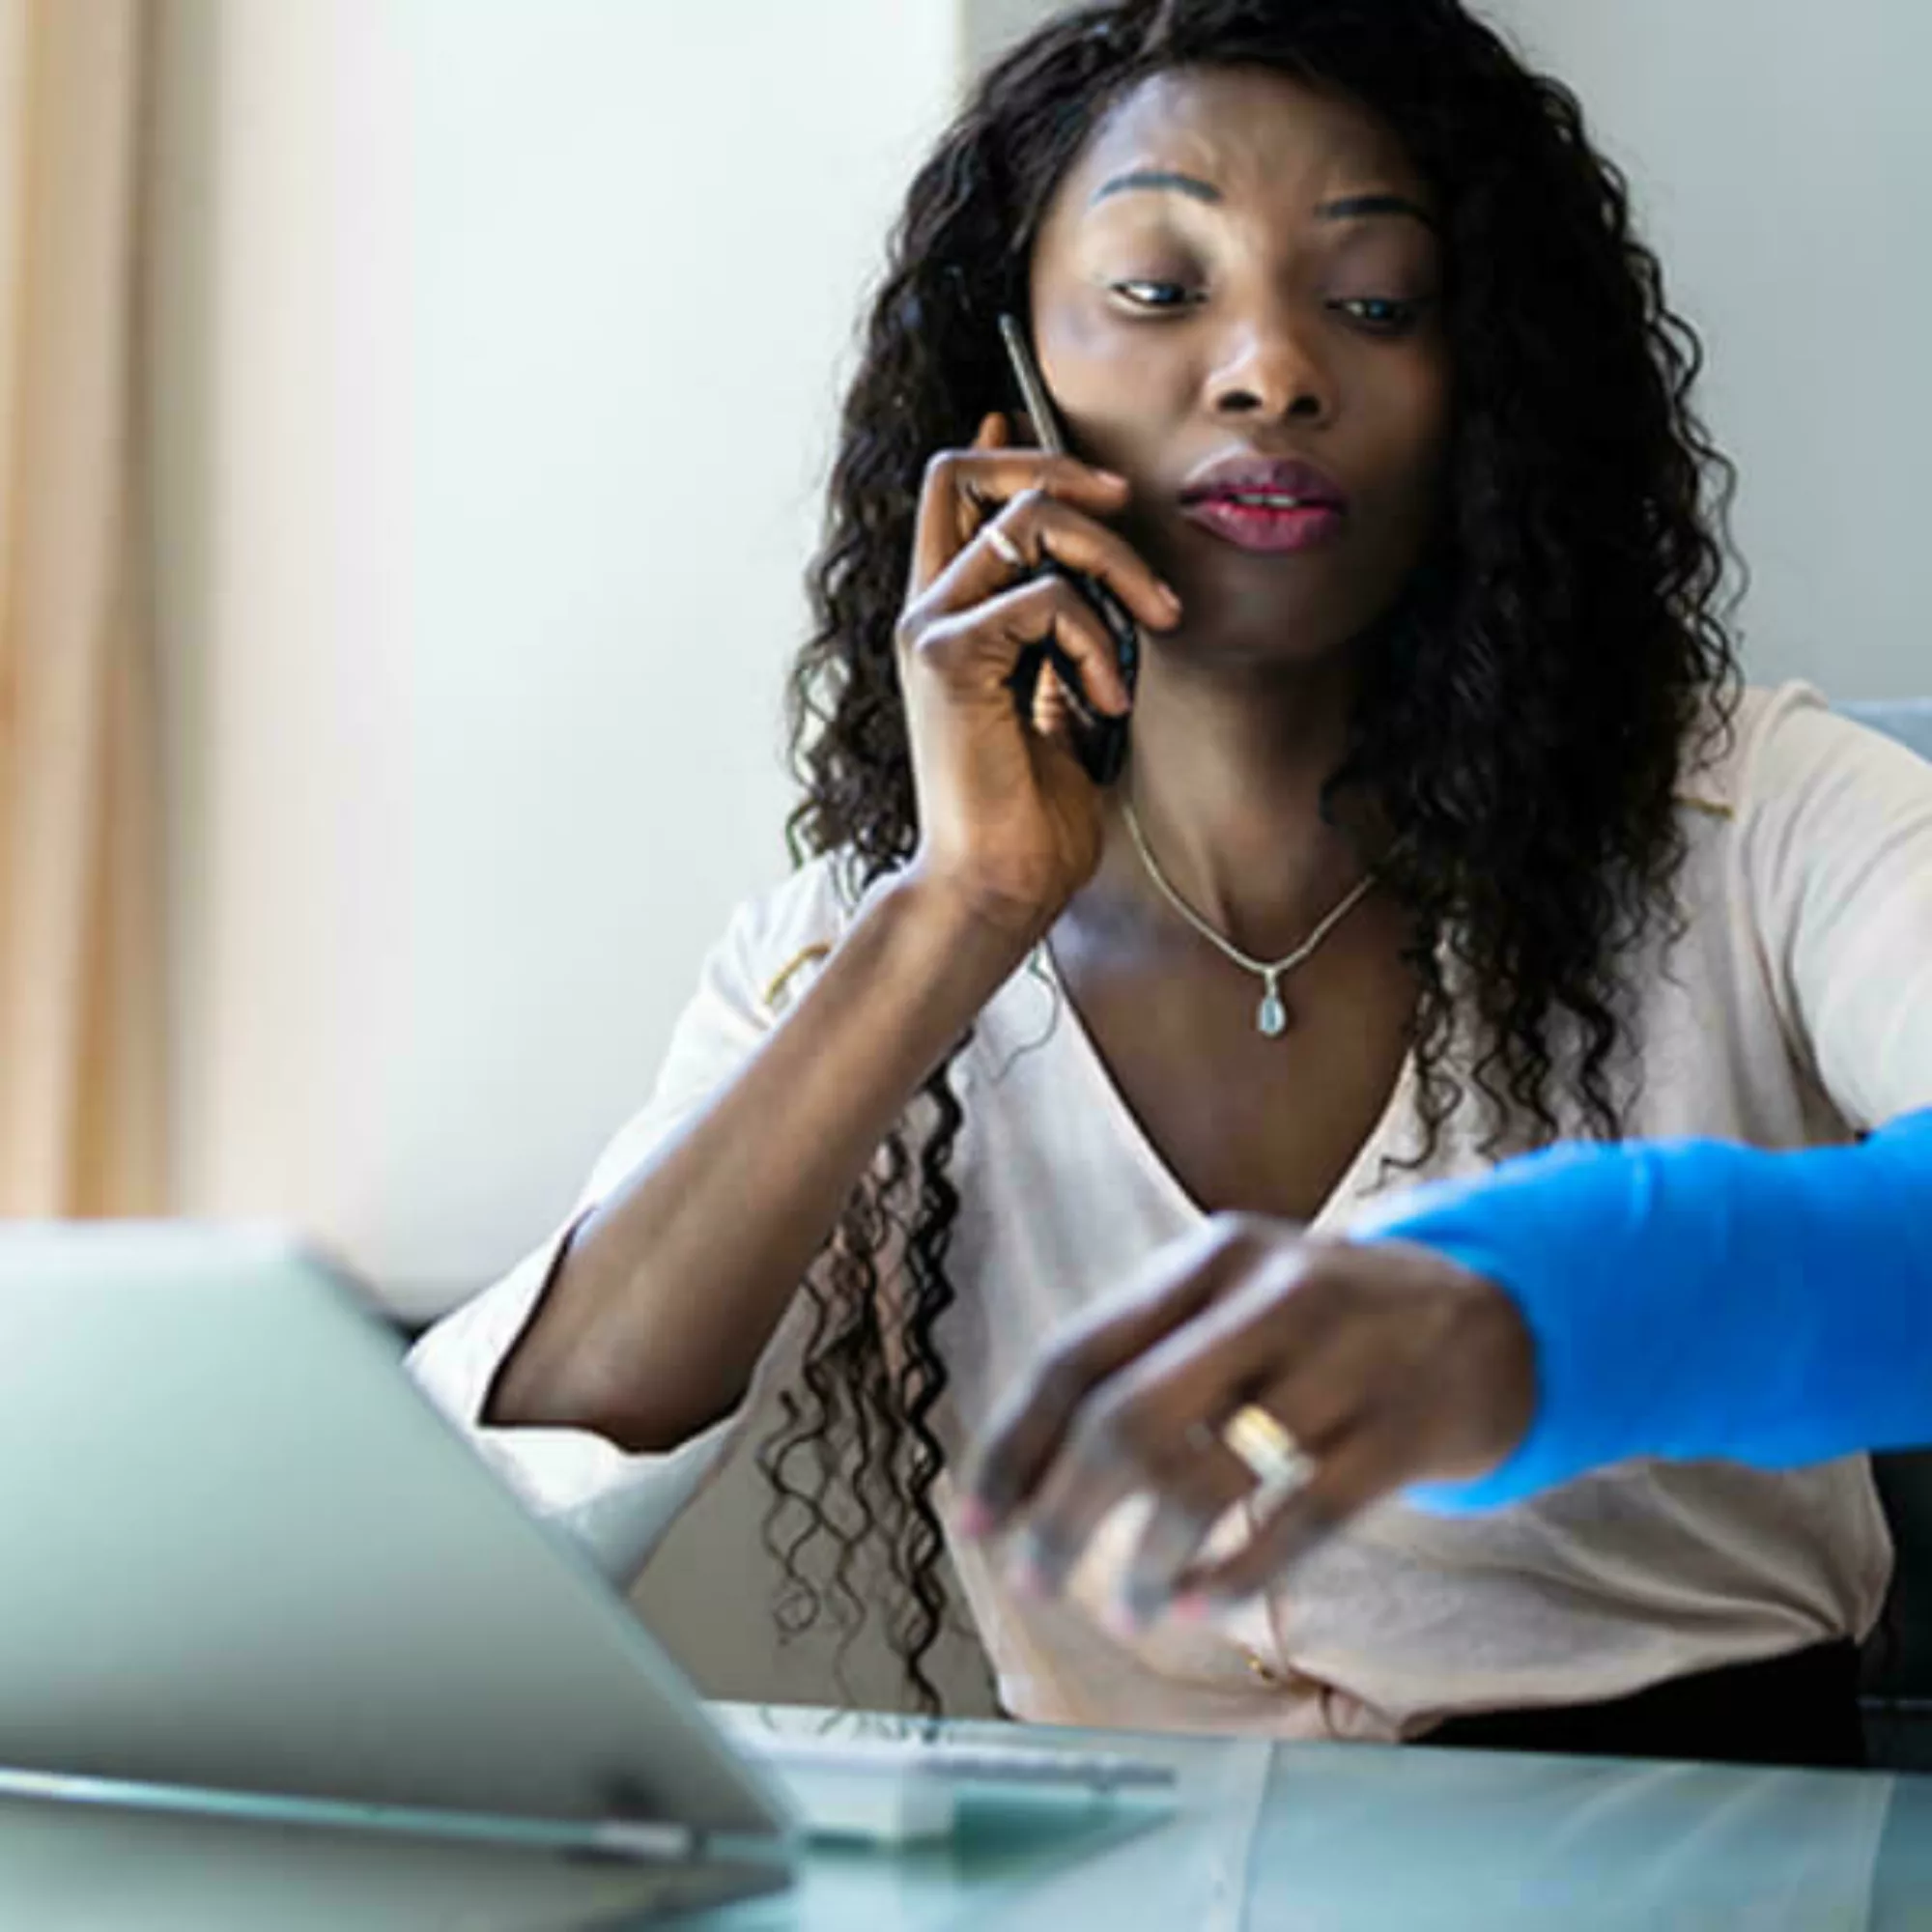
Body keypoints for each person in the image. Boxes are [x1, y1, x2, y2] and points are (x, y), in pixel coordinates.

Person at [409, 0, 1932, 1768]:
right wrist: (958, 914)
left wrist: (1523, 1309)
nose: (1272, 369)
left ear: (1490, 382)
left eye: (1376, 302)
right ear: (1013, 377)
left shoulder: (1773, 815)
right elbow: (491, 1543)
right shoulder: (856, 942)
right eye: (1159, 290)